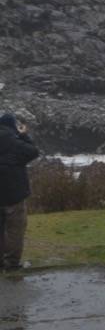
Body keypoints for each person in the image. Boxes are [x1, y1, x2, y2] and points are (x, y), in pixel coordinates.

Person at [0, 114, 40, 272]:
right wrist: (23, 135)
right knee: (15, 230)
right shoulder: (16, 142)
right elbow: (33, 152)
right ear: (12, 126)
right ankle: (12, 264)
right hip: (14, 195)